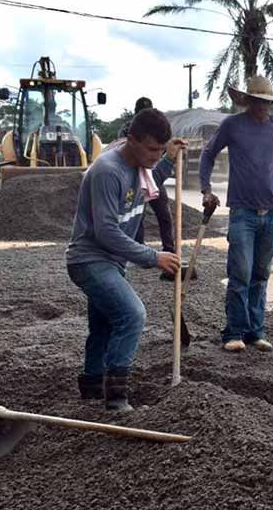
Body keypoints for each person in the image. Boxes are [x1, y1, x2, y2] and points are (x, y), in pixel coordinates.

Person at [66, 109, 184, 412]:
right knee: (132, 314)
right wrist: (152, 257)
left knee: (104, 323)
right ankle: (116, 397)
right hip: (89, 259)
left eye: (161, 149)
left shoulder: (141, 166)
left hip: (111, 261)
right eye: (152, 149)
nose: (156, 155)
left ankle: (92, 384)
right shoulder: (108, 170)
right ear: (131, 140)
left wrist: (171, 158)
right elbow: (106, 232)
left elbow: (154, 175)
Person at [199, 75, 273, 352]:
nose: (262, 107)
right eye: (257, 102)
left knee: (260, 274)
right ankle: (233, 333)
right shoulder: (233, 125)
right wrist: (206, 190)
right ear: (248, 101)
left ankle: (255, 332)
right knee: (240, 274)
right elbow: (208, 154)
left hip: (271, 214)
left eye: (266, 102)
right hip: (242, 213)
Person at [117, 97, 176, 259]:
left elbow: (160, 151)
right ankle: (139, 248)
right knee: (137, 214)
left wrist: (169, 153)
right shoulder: (128, 130)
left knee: (164, 213)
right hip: (135, 178)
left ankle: (169, 249)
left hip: (152, 177)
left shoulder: (158, 129)